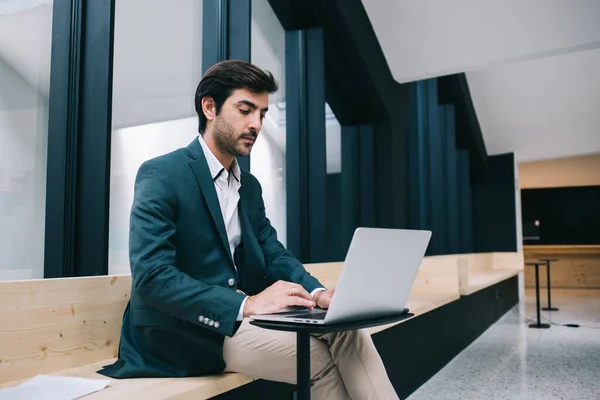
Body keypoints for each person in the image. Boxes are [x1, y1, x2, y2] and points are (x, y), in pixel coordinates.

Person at [99, 60, 399, 399]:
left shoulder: (249, 187)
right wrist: (247, 305)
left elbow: (272, 252)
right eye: (245, 110)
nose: (255, 124)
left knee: (346, 330)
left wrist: (318, 295)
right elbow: (153, 278)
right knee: (318, 358)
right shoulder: (162, 174)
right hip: (185, 332)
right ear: (210, 107)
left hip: (242, 322)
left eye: (262, 114)